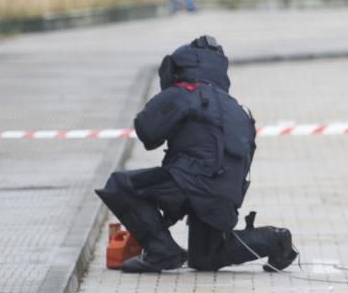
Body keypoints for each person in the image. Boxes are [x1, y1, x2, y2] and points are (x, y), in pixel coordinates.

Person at [95, 35, 298, 274]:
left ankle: (162, 251)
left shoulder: (185, 92)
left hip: (193, 181)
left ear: (177, 68)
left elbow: (147, 132)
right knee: (205, 258)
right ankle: (274, 240)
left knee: (121, 185)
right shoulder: (232, 105)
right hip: (225, 193)